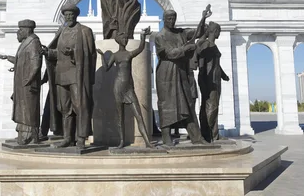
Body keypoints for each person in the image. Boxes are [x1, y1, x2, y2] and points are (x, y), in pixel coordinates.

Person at [42, 5, 96, 148]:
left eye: (71, 14)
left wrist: (73, 52)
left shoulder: (85, 31)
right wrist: (48, 53)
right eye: (66, 15)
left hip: (77, 75)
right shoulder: (61, 31)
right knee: (64, 108)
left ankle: (80, 138)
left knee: (80, 106)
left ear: (76, 15)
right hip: (61, 75)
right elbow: (56, 53)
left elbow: (91, 55)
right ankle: (67, 138)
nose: (69, 17)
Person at [155, 9, 209, 146]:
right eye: (168, 19)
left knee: (188, 102)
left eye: (173, 19)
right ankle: (166, 137)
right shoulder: (160, 36)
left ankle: (196, 137)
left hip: (181, 72)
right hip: (166, 73)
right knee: (167, 105)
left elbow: (198, 32)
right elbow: (169, 53)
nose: (171, 21)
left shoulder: (181, 33)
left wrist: (203, 18)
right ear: (163, 19)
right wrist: (185, 49)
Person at [97, 27, 154, 149]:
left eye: (126, 38)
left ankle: (148, 142)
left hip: (129, 88)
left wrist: (143, 36)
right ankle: (121, 141)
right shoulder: (115, 55)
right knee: (120, 116)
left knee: (139, 115)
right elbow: (106, 68)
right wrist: (102, 56)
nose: (125, 40)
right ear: (118, 40)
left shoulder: (129, 53)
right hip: (118, 87)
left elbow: (140, 48)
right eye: (123, 38)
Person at [0, 19, 42, 145]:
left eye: (21, 30)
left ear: (27, 30)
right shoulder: (25, 43)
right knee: (22, 108)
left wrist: (29, 79)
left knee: (28, 109)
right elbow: (22, 62)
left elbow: (36, 63)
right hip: (22, 84)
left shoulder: (33, 43)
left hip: (28, 85)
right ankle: (23, 133)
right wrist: (8, 58)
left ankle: (29, 136)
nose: (18, 32)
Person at [197, 21, 230, 142]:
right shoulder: (206, 45)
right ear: (215, 31)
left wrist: (223, 75)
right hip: (208, 79)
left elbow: (216, 64)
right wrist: (202, 80)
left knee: (213, 106)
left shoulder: (213, 45)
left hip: (215, 79)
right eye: (219, 31)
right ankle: (207, 134)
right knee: (211, 106)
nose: (219, 33)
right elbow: (202, 64)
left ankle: (214, 134)